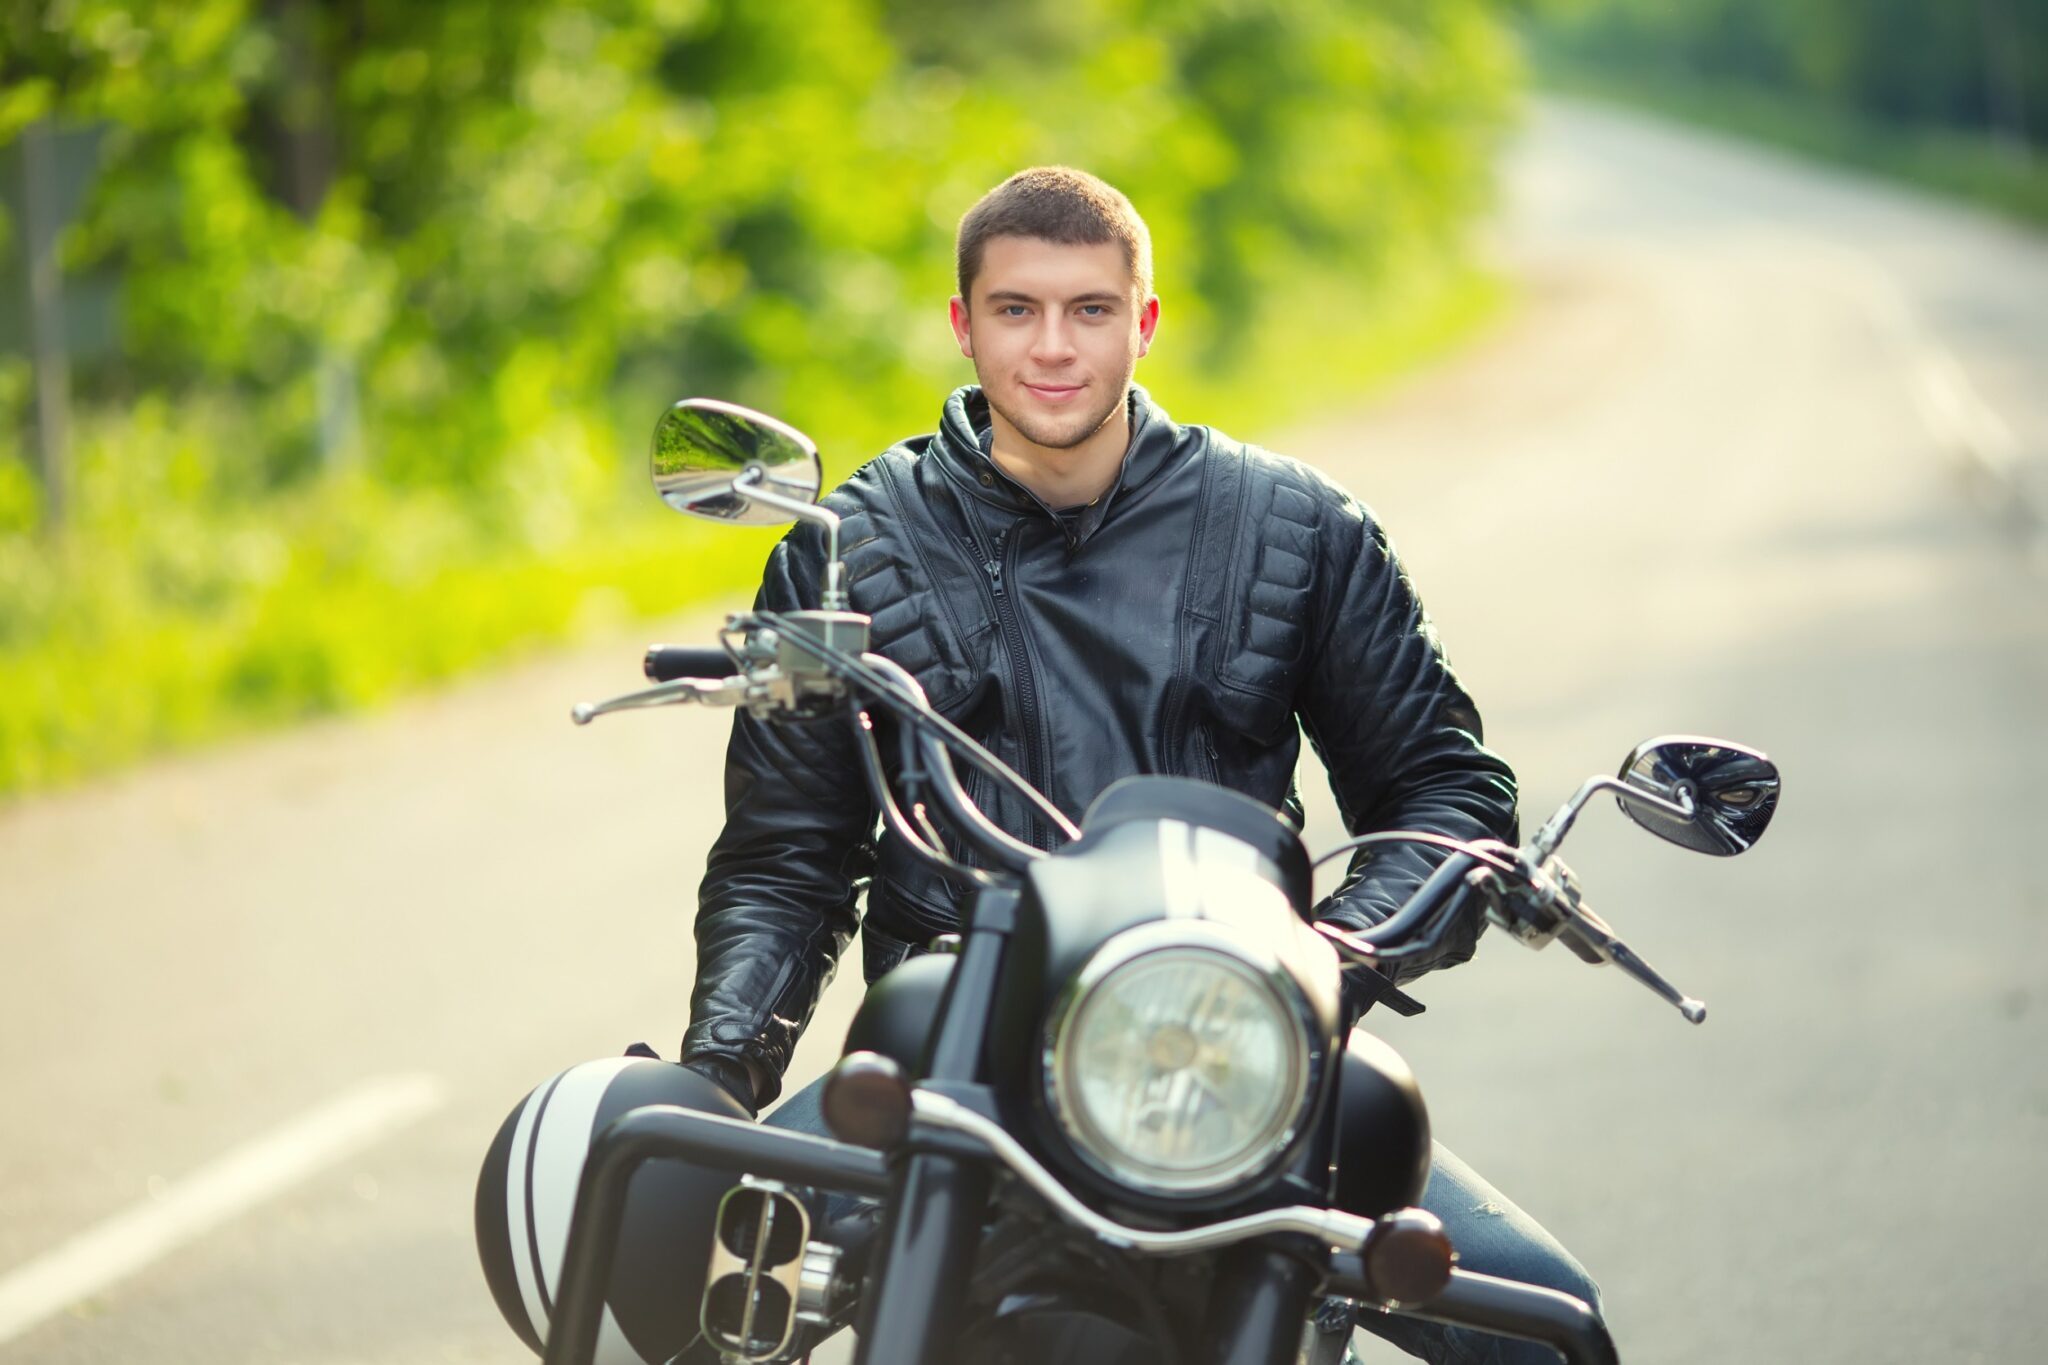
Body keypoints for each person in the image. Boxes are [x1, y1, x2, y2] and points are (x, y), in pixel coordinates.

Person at [680, 166, 1600, 1363]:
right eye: (1015, 310)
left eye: (1089, 310)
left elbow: (1443, 787)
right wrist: (719, 1075)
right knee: (674, 1302)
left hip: (1229, 1060)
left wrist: (1312, 971)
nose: (1052, 348)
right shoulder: (854, 545)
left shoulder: (1295, 525)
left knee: (1550, 1331)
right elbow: (786, 854)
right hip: (951, 1060)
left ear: (1143, 322)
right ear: (962, 325)